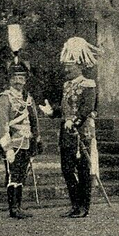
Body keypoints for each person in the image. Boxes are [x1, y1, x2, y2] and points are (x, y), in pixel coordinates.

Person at [41, 36, 102, 218]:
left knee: (83, 171)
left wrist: (74, 122)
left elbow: (86, 109)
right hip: (66, 134)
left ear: (79, 66)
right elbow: (66, 108)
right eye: (66, 65)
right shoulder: (66, 85)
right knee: (67, 170)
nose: (66, 69)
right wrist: (52, 112)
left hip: (81, 133)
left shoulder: (88, 85)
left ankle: (84, 206)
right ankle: (75, 204)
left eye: (70, 65)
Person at [0, 61, 42, 219]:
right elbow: (1, 123)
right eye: (16, 78)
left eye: (22, 78)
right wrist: (7, 147)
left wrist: (37, 139)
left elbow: (34, 120)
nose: (19, 81)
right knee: (12, 175)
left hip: (26, 142)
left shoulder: (28, 98)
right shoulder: (4, 99)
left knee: (21, 174)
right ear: (10, 79)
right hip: (13, 143)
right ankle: (13, 208)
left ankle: (18, 206)